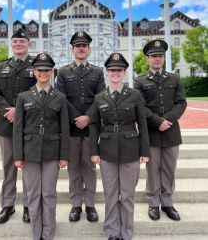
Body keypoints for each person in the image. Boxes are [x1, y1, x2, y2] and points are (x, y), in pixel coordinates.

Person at [90, 52, 150, 240]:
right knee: (110, 194)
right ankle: (112, 231)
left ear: (124, 73)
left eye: (119, 70)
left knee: (127, 195)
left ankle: (127, 231)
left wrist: (144, 151)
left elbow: (142, 123)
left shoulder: (135, 95)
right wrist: (94, 151)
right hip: (107, 151)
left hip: (131, 149)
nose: (115, 73)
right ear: (107, 73)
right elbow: (93, 124)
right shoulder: (99, 97)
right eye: (112, 70)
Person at [13, 53, 70, 240]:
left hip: (52, 153)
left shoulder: (60, 97)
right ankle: (36, 234)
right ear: (34, 72)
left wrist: (64, 156)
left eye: (46, 70)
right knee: (33, 195)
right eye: (39, 70)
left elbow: (64, 128)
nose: (43, 73)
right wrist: (18, 156)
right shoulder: (23, 97)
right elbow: (18, 128)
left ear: (51, 72)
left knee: (49, 195)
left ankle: (48, 234)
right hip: (29, 153)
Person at [134, 39, 187, 222]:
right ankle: (153, 202)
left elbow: (181, 103)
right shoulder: (139, 80)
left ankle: (167, 202)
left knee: (169, 168)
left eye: (160, 56)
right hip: (152, 132)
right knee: (153, 169)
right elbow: (140, 107)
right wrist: (158, 122)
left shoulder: (174, 78)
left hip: (171, 131)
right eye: (154, 56)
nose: (157, 59)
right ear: (147, 58)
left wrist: (168, 120)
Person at [56, 31, 106, 223]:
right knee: (74, 168)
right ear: (73, 49)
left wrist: (88, 116)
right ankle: (76, 205)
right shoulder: (63, 72)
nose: (81, 48)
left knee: (89, 167)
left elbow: (101, 97)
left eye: (84, 46)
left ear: (89, 49)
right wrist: (78, 117)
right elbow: (61, 98)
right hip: (71, 126)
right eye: (78, 46)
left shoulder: (97, 71)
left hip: (91, 126)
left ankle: (91, 204)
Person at [0, 29, 36, 224]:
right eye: (15, 41)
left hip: (29, 123)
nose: (18, 44)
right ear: (11, 44)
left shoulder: (37, 65)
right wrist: (7, 111)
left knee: (27, 165)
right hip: (6, 123)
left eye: (22, 41)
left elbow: (39, 89)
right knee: (9, 165)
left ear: (28, 44)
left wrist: (19, 110)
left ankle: (28, 205)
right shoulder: (2, 67)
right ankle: (7, 205)